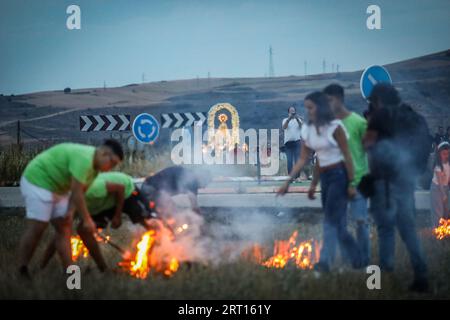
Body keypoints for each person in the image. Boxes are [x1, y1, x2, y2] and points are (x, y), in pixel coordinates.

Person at [277, 92, 361, 272]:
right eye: (306, 108)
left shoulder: (335, 127)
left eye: (311, 107)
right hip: (325, 177)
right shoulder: (307, 129)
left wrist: (352, 184)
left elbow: (347, 155)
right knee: (337, 223)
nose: (308, 112)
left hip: (340, 175)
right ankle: (356, 257)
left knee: (330, 219)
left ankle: (324, 262)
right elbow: (304, 159)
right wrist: (290, 183)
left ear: (321, 107)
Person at [17, 140, 123, 277]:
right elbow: (77, 191)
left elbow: (79, 193)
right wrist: (87, 219)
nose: (111, 168)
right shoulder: (85, 159)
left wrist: (70, 211)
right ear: (104, 153)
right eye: (112, 163)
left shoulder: (95, 171)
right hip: (38, 181)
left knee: (64, 228)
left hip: (59, 189)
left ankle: (71, 277)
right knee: (39, 226)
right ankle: (22, 269)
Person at [362, 83, 429, 292]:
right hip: (407, 181)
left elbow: (367, 144)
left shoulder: (381, 116)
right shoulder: (415, 118)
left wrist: (370, 121)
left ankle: (381, 280)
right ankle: (421, 274)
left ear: (378, 100)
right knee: (408, 230)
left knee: (385, 229)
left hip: (384, 183)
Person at [40, 171, 156, 272]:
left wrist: (117, 216)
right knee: (83, 230)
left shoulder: (92, 188)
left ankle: (158, 258)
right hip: (103, 204)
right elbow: (60, 234)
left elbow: (119, 188)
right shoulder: (67, 204)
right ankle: (103, 269)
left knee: (150, 224)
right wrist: (42, 265)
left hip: (127, 193)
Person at [324, 84, 370, 266]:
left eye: (330, 100)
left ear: (339, 99)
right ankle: (347, 260)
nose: (327, 104)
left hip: (358, 181)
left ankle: (365, 261)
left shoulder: (358, 123)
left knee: (361, 222)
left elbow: (369, 150)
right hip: (337, 182)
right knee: (339, 224)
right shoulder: (329, 126)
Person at [141, 166, 212, 218]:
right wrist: (200, 219)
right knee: (170, 213)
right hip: (151, 189)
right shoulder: (192, 179)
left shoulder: (188, 176)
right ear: (201, 178)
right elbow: (194, 205)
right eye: (205, 183)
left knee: (168, 212)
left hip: (150, 188)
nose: (204, 187)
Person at [430, 142, 450, 227]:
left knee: (446, 211)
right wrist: (443, 194)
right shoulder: (438, 166)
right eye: (444, 154)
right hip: (437, 189)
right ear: (439, 154)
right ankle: (437, 232)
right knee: (438, 211)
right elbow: (440, 182)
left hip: (445, 188)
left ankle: (445, 230)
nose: (446, 156)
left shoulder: (448, 164)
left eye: (448, 153)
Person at [282, 106, 304, 180]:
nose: (292, 112)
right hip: (288, 143)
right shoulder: (285, 120)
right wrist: (289, 119)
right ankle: (291, 177)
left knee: (297, 160)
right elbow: (284, 127)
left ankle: (297, 177)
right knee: (290, 160)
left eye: (293, 111)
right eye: (291, 111)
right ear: (288, 112)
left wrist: (297, 118)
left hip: (297, 142)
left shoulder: (299, 120)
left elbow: (302, 126)